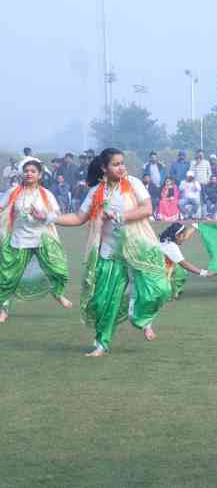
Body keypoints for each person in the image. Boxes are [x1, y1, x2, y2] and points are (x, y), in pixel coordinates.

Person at [55, 148, 171, 357]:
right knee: (103, 301)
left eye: (122, 163)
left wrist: (117, 216)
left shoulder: (133, 184)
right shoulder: (96, 192)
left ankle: (140, 317)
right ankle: (101, 344)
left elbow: (146, 209)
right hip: (110, 251)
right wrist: (48, 218)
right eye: (116, 164)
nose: (121, 167)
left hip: (140, 247)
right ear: (104, 168)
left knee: (160, 289)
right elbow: (78, 218)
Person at [0, 158, 72, 324]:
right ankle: (3, 309)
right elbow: (1, 208)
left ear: (39, 175)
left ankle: (58, 294)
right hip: (18, 240)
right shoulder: (13, 192)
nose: (29, 174)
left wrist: (42, 216)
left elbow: (57, 215)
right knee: (8, 276)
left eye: (33, 171)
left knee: (57, 269)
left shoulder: (46, 195)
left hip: (42, 240)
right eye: (26, 171)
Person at [159, 222, 214, 300]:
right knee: (180, 271)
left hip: (156, 268)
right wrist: (203, 273)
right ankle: (170, 293)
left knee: (178, 269)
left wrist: (195, 226)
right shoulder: (171, 246)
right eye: (183, 235)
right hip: (157, 272)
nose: (184, 238)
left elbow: (185, 237)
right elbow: (184, 264)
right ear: (177, 236)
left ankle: (172, 290)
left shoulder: (167, 238)